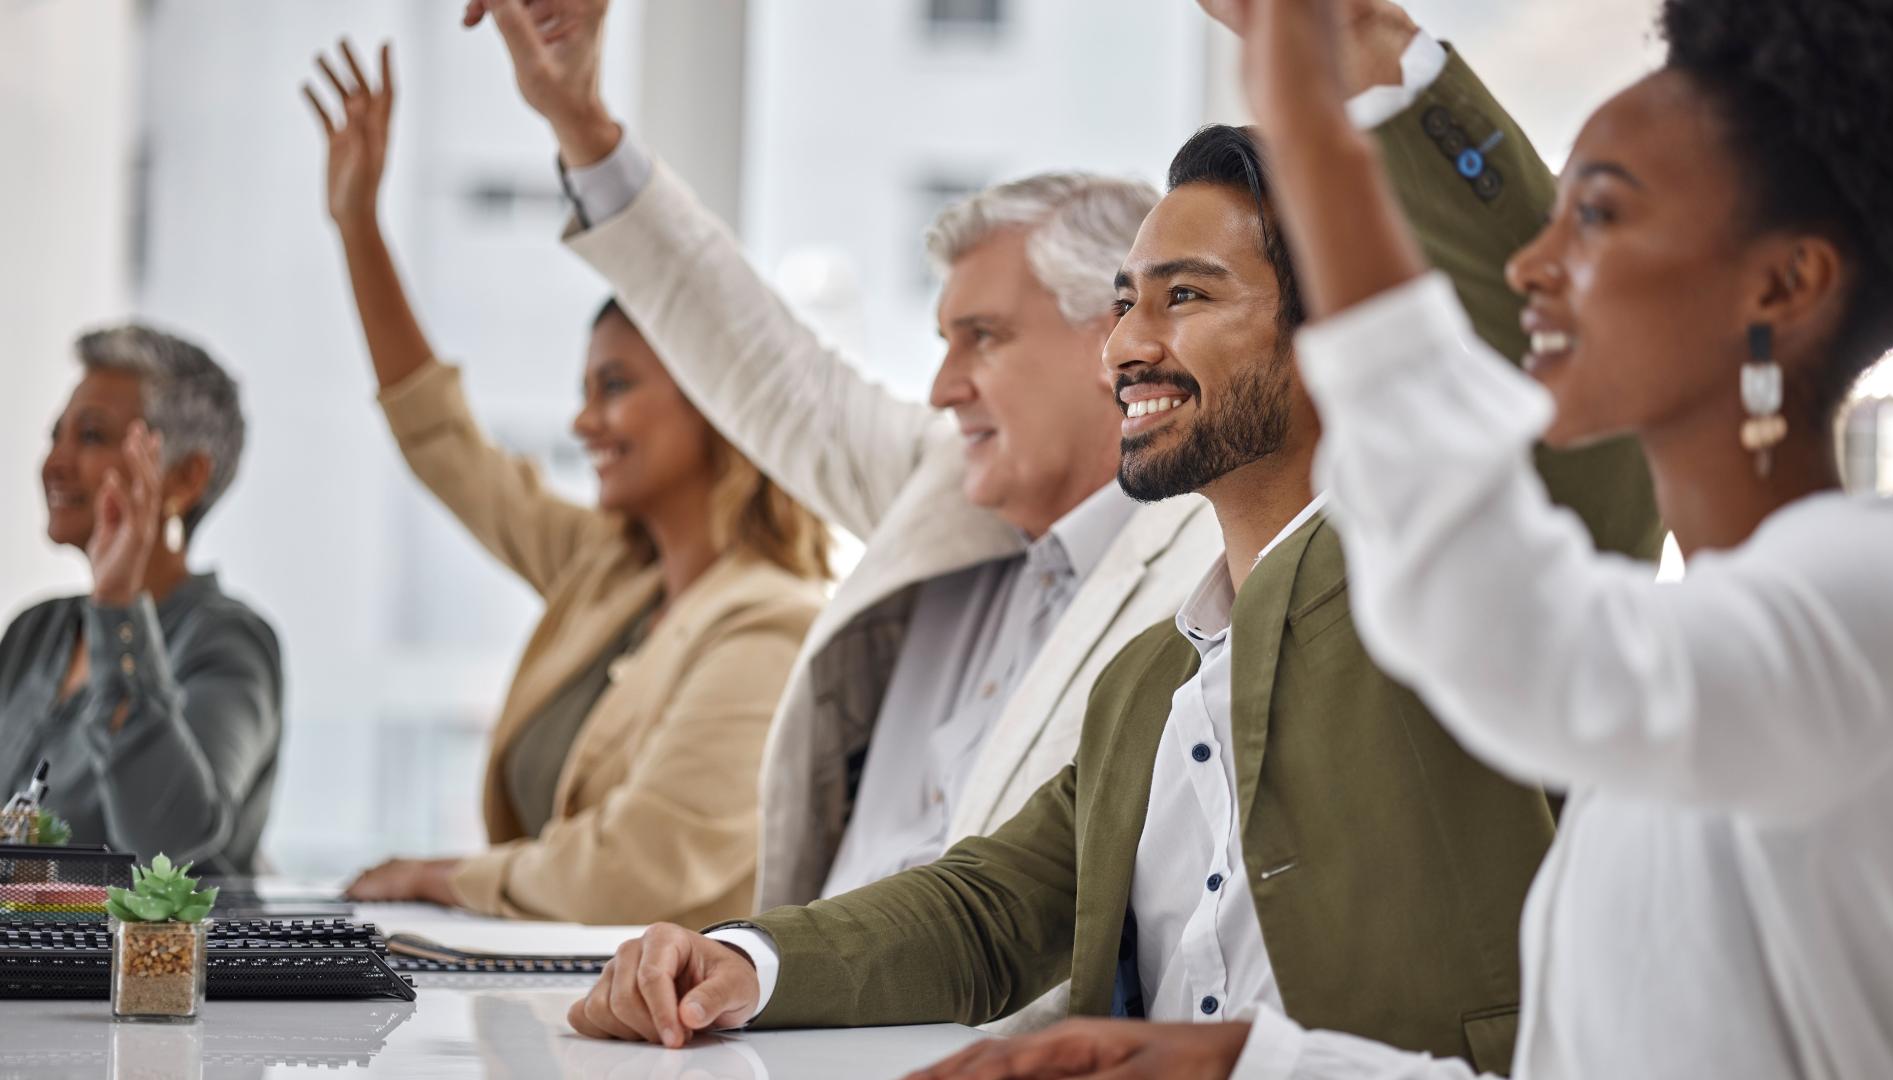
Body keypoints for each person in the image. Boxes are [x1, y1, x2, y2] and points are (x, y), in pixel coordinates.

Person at [558, 3, 1667, 1071]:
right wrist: (739, 960)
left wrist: (1370, 42)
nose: (1126, 346)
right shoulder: (1148, 686)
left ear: (1332, 329)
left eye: (1184, 297)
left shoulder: (1455, 585)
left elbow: (1552, 360)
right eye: (1126, 302)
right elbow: (989, 909)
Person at [932, 0, 1893, 1076]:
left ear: (1783, 285)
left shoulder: (1880, 595)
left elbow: (1511, 630)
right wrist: (1239, 1062)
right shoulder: (1697, 690)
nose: (1533, 264)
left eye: (1595, 216)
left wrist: (1314, 128)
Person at [465, 0, 1230, 959]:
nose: (944, 387)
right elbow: (767, 367)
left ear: (1110, 336)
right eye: (944, 341)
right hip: (783, 1016)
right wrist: (585, 129)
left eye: (982, 339)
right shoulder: (946, 488)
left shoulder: (1208, 567)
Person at [303, 42, 831, 925]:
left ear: (712, 403)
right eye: (584, 391)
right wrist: (358, 226)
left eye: (614, 388)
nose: (584, 423)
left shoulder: (770, 624)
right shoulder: (607, 571)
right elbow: (443, 443)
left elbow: (630, 874)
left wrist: (446, 877)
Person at [0, 326, 281, 875]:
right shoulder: (35, 633)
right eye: (55, 436)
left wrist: (116, 606)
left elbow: (167, 842)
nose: (53, 463)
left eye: (91, 437)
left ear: (185, 477)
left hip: (154, 963)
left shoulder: (226, 642)